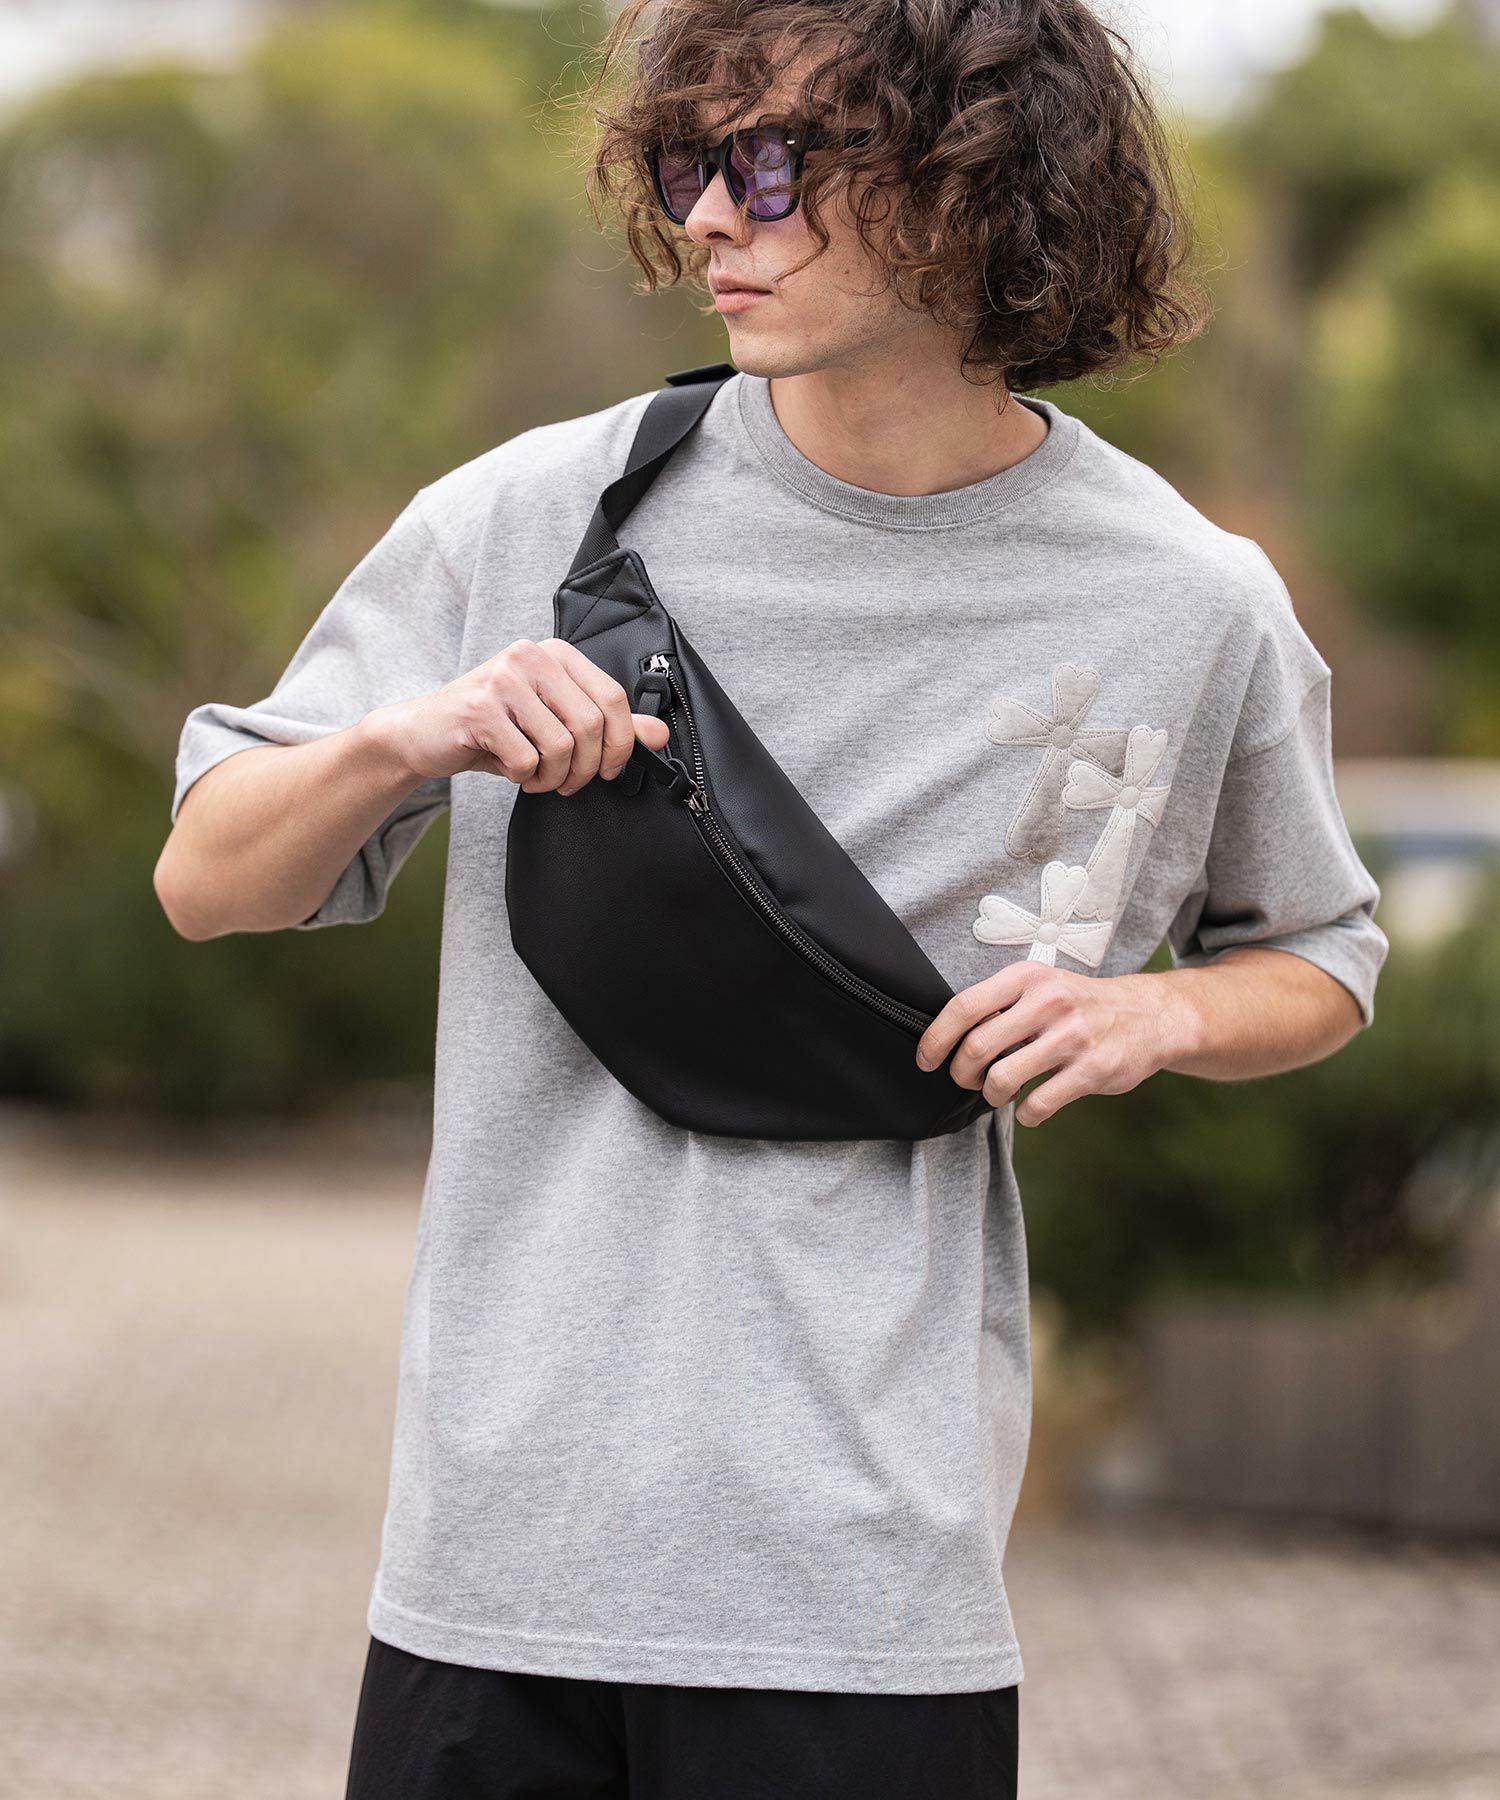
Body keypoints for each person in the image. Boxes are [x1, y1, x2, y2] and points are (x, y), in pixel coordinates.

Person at [154, 2, 1389, 1795]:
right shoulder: (537, 515)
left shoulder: (1185, 602)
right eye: (689, 165)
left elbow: (1323, 949)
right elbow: (207, 878)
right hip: (493, 1579)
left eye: (780, 161)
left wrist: (1162, 1011)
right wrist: (411, 736)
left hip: (867, 1599)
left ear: (982, 176)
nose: (717, 218)